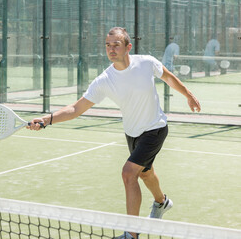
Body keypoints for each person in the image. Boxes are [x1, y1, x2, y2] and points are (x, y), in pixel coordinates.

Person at [27, 27, 201, 239]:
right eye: (108, 45)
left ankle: (131, 234)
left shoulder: (146, 62)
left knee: (129, 174)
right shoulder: (104, 80)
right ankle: (162, 202)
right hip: (132, 132)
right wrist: (47, 119)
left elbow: (169, 77)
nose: (111, 49)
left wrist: (188, 95)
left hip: (155, 128)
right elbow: (77, 108)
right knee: (145, 173)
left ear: (128, 47)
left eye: (116, 45)